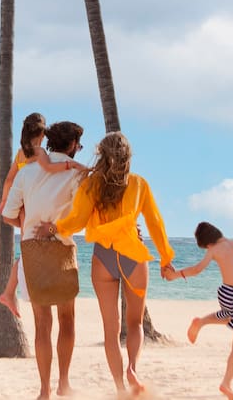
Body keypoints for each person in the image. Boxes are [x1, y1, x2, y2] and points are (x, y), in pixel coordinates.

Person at [37, 132, 172, 398]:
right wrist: (166, 258)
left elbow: (76, 220)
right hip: (132, 254)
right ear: (128, 157)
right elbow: (156, 223)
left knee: (111, 332)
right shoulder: (139, 183)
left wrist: (53, 227)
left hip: (103, 258)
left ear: (102, 153)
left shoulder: (92, 185)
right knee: (134, 324)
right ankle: (132, 368)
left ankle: (120, 388)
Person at [0, 120, 88, 400]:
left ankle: (44, 391)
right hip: (62, 249)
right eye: (79, 144)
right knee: (67, 320)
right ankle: (63, 383)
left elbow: (7, 215)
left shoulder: (27, 173)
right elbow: (81, 220)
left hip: (32, 250)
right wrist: (55, 227)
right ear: (73, 145)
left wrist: (29, 227)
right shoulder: (77, 174)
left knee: (42, 325)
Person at [169, 221, 233, 400]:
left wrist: (175, 275)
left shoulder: (214, 250)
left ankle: (202, 322)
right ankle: (226, 383)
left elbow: (197, 269)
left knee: (229, 315)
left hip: (226, 293)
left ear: (208, 243)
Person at [0, 112, 85, 317]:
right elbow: (49, 168)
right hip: (48, 228)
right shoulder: (41, 154)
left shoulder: (22, 154)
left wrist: (4, 201)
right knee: (66, 320)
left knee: (26, 250)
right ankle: (9, 293)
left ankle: (9, 292)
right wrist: (71, 165)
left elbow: (10, 180)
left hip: (24, 205)